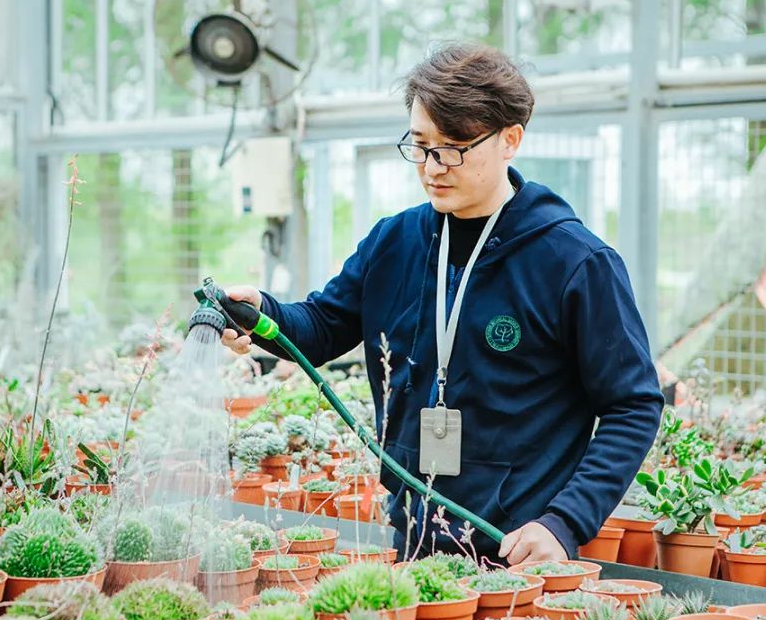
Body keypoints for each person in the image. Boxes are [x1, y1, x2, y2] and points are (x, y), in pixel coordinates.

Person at [221, 42, 663, 565]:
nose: (433, 167)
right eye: (421, 145)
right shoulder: (396, 242)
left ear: (510, 140)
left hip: (521, 550)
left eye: (453, 147)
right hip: (413, 531)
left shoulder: (575, 263)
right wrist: (263, 312)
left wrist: (564, 521)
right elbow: (322, 324)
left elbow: (632, 405)